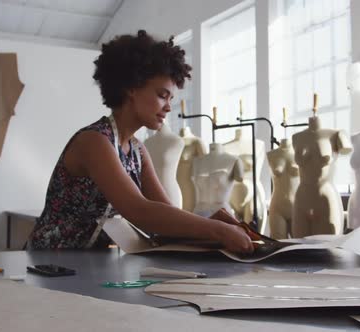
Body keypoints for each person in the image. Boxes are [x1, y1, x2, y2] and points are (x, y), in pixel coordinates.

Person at [28, 30, 254, 253]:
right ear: (131, 88)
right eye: (162, 95)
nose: (168, 106)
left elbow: (165, 215)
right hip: (49, 261)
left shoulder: (137, 151)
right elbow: (139, 210)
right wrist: (217, 230)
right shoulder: (94, 142)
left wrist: (217, 224)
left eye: (171, 98)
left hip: (89, 263)